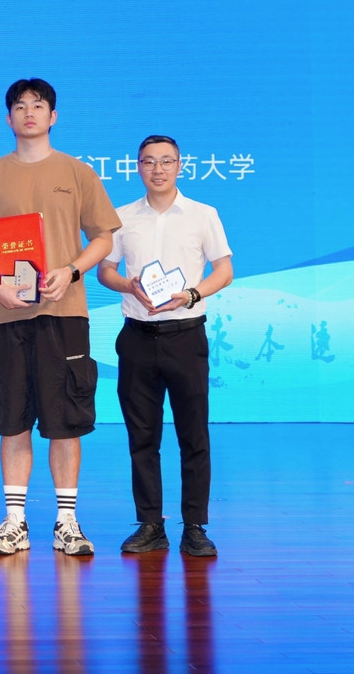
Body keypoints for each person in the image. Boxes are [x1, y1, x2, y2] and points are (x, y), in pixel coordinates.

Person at [0, 79, 122, 557]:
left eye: (39, 105)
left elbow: (103, 237)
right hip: (8, 315)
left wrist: (72, 271)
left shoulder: (77, 172)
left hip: (64, 313)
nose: (29, 113)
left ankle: (67, 522)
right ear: (8, 118)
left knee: (66, 419)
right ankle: (14, 522)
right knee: (12, 419)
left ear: (53, 116)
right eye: (20, 106)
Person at [97, 134, 232, 558]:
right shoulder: (121, 217)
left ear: (180, 166)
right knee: (142, 435)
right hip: (137, 337)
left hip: (185, 336)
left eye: (166, 161)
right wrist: (128, 285)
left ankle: (195, 526)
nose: (158, 169)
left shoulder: (202, 215)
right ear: (137, 167)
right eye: (149, 161)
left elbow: (224, 269)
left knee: (194, 434)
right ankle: (150, 523)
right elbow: (105, 270)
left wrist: (192, 294)